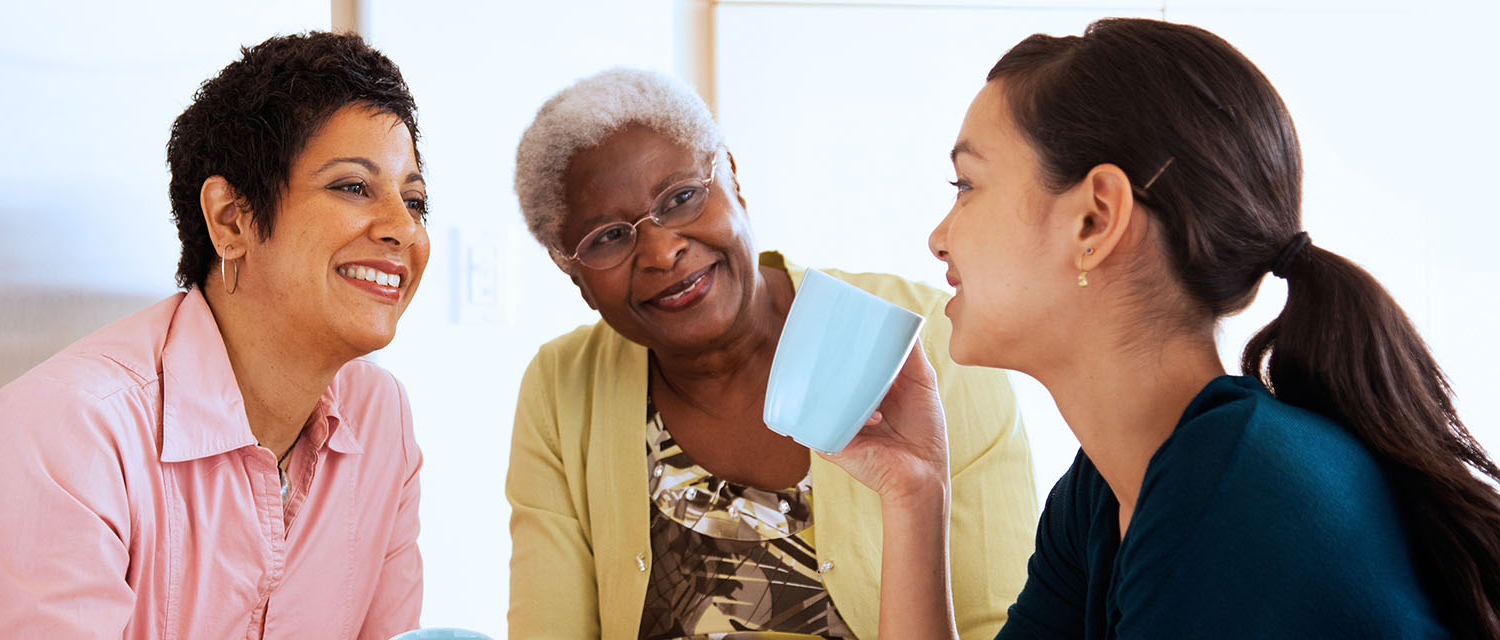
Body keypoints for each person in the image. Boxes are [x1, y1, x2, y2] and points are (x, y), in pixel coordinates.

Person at [825, 17, 1500, 639]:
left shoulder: (1228, 498)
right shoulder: (1105, 492)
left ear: (1095, 219)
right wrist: (915, 492)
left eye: (967, 186)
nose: (939, 238)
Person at [0, 32, 431, 638]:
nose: (403, 230)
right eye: (353, 187)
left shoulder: (380, 419)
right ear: (232, 219)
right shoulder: (69, 430)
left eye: (415, 200)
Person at [505, 68, 1038, 639]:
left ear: (732, 177)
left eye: (682, 197)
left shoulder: (925, 343)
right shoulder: (562, 386)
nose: (662, 252)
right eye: (609, 236)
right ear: (574, 274)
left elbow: (1002, 626)